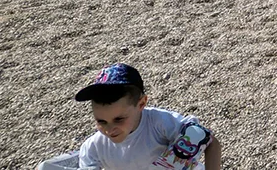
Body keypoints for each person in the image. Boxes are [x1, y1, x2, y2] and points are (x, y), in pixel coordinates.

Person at [37, 63, 222, 170]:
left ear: (141, 104)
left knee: (194, 134)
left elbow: (209, 141)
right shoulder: (94, 147)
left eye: (119, 119)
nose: (110, 129)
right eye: (101, 121)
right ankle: (70, 161)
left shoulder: (158, 123)